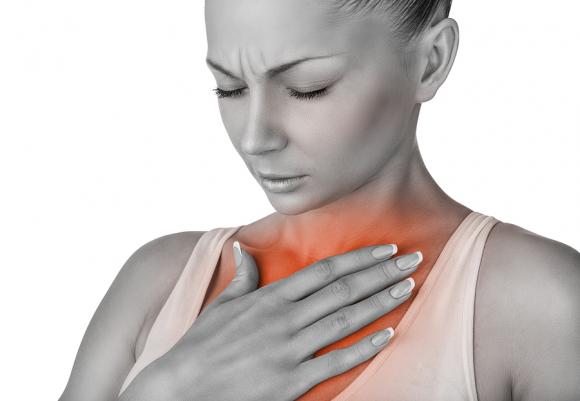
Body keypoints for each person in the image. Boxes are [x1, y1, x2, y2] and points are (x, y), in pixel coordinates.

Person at [59, 0, 580, 400]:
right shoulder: (157, 283)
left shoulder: (535, 304)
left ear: (431, 62)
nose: (255, 138)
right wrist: (168, 389)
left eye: (308, 87)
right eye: (230, 88)